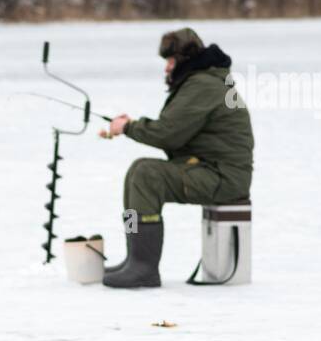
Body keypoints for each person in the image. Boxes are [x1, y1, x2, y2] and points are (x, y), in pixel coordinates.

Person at [98, 28, 254, 288]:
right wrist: (132, 125)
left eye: (170, 62)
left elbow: (168, 134)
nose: (166, 69)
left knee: (146, 174)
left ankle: (144, 268)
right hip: (210, 168)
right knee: (138, 172)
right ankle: (135, 257)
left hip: (223, 178)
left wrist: (127, 127)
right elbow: (176, 130)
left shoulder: (203, 85)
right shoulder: (205, 81)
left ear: (184, 59)